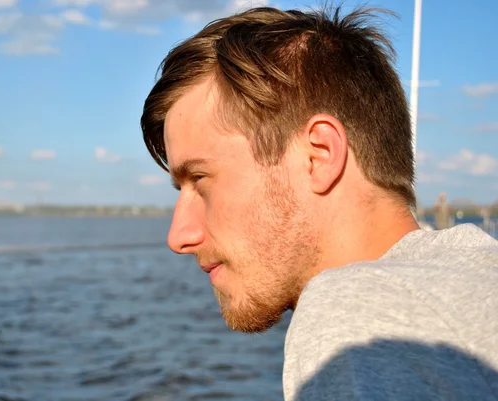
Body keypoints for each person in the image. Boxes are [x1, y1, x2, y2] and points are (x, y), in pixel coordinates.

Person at [140, 4, 498, 400]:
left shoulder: (359, 315)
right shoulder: (474, 277)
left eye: (200, 179)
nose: (178, 237)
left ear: (319, 155)